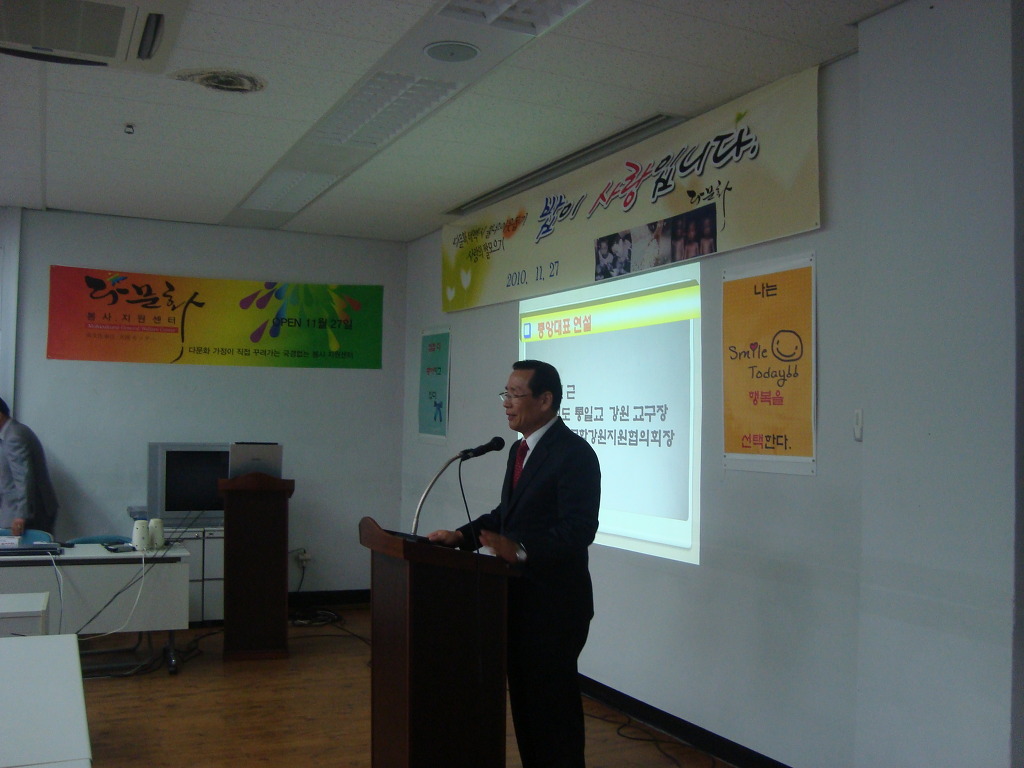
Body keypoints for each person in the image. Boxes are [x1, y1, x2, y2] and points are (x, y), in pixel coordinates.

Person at [429, 360, 601, 768]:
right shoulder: (520, 450)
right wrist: (462, 537)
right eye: (504, 394)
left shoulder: (574, 453)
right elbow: (507, 515)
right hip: (519, 602)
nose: (506, 403)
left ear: (545, 400)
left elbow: (579, 529)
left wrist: (521, 550)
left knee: (553, 714)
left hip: (555, 607)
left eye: (515, 394)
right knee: (527, 709)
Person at [0, 397, 60, 536]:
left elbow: (23, 478)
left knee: (29, 550)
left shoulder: (14, 436)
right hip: (19, 510)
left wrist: (21, 516)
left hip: (28, 514)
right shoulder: (11, 433)